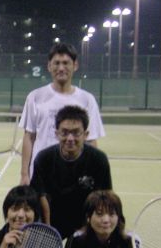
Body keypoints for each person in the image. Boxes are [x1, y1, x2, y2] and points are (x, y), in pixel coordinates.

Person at [19, 42, 105, 184]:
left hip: (75, 174)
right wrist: (24, 174)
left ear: (75, 65)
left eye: (66, 63)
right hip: (41, 173)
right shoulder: (35, 97)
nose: (61, 68)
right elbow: (29, 137)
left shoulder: (87, 100)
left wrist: (92, 173)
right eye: (56, 63)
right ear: (49, 66)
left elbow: (90, 140)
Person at [30, 105, 112, 240]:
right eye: (64, 132)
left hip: (86, 221)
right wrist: (48, 229)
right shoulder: (43, 158)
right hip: (52, 218)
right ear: (56, 134)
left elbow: (105, 197)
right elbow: (40, 197)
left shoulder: (99, 159)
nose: (70, 138)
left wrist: (91, 228)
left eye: (76, 133)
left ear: (86, 135)